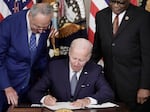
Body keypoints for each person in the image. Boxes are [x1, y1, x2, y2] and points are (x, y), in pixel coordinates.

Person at [91, 0, 150, 111]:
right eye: (113, 2)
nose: (116, 5)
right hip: (109, 86)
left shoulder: (143, 17)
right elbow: (97, 51)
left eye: (121, 3)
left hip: (134, 87)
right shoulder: (101, 16)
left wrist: (145, 87)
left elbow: (148, 55)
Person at [28, 38, 114, 107]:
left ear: (88, 58)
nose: (76, 63)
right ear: (69, 53)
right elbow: (34, 92)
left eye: (81, 60)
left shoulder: (95, 70)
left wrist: (87, 100)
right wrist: (44, 98)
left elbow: (107, 93)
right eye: (74, 58)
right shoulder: (55, 67)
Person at [0, 3, 53, 112]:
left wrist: (48, 80)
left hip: (30, 85)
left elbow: (41, 55)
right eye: (38, 27)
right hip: (7, 84)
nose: (41, 31)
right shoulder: (9, 24)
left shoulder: (44, 24)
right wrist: (7, 87)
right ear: (30, 17)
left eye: (45, 28)